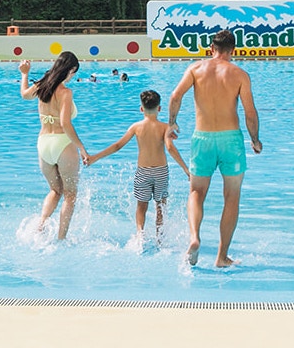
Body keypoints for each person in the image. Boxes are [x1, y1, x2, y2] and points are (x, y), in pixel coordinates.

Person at [168, 29, 261, 267]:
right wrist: (255, 139)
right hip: (231, 140)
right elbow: (250, 113)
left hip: (203, 138)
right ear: (233, 51)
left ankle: (194, 237)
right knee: (232, 197)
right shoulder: (240, 74)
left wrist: (172, 123)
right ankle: (221, 257)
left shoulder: (195, 69)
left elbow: (175, 96)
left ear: (211, 49)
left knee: (196, 192)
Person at [85, 89, 189, 242]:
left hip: (143, 172)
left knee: (141, 206)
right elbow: (170, 148)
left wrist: (94, 157)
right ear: (159, 108)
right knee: (161, 206)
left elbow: (117, 146)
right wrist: (186, 169)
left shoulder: (136, 127)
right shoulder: (165, 127)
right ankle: (160, 239)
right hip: (161, 172)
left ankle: (140, 236)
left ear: (141, 109)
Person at [19, 52, 88, 239]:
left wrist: (24, 74)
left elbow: (25, 95)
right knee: (70, 195)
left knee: (55, 190)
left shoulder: (42, 85)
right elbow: (65, 123)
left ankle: (39, 227)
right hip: (62, 143)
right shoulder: (65, 92)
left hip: (43, 144)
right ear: (71, 70)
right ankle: (61, 239)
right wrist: (81, 147)